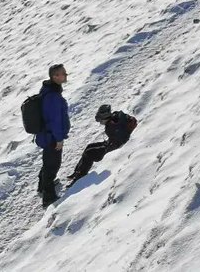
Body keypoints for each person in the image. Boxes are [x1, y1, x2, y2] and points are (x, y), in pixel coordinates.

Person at [68, 104, 139, 185]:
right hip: (113, 143)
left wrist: (106, 148)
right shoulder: (115, 117)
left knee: (89, 152)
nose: (101, 122)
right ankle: (78, 171)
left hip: (114, 148)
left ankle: (80, 176)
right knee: (89, 147)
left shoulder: (111, 126)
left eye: (100, 120)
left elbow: (117, 143)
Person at [34, 63, 70, 207]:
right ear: (55, 76)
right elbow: (55, 120)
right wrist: (59, 139)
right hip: (52, 137)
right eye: (63, 73)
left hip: (46, 135)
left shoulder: (48, 89)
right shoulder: (53, 96)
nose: (66, 75)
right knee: (52, 165)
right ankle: (48, 197)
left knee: (48, 161)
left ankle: (42, 186)